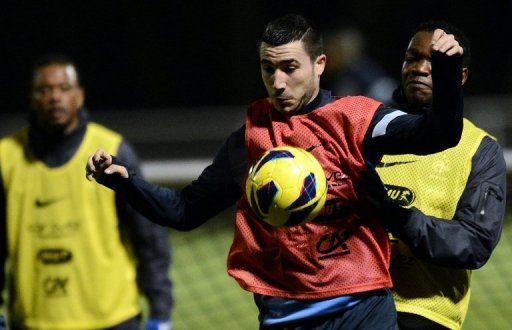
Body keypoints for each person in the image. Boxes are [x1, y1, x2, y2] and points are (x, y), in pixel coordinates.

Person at [86, 14, 464, 329]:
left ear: (319, 64)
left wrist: (446, 75)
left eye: (289, 67)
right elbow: (184, 211)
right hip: (285, 316)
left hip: (361, 311)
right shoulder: (250, 139)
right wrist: (127, 184)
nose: (278, 82)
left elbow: (440, 133)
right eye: (269, 69)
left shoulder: (356, 119)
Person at [0, 54, 173, 330]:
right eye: (44, 90)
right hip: (33, 321)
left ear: (79, 96)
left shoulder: (113, 150)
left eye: (64, 88)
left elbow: (149, 237)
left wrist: (161, 311)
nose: (55, 97)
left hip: (112, 319)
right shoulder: (6, 157)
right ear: (31, 98)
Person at [368, 21, 506, 329]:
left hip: (423, 315)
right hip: (352, 304)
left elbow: (475, 241)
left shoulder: (480, 149)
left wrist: (401, 220)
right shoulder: (368, 129)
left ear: (460, 77)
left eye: (433, 61)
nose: (419, 68)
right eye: (412, 58)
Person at [322, 27, 397, 104]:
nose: (330, 54)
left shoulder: (361, 71)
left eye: (335, 49)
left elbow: (387, 94)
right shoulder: (343, 75)